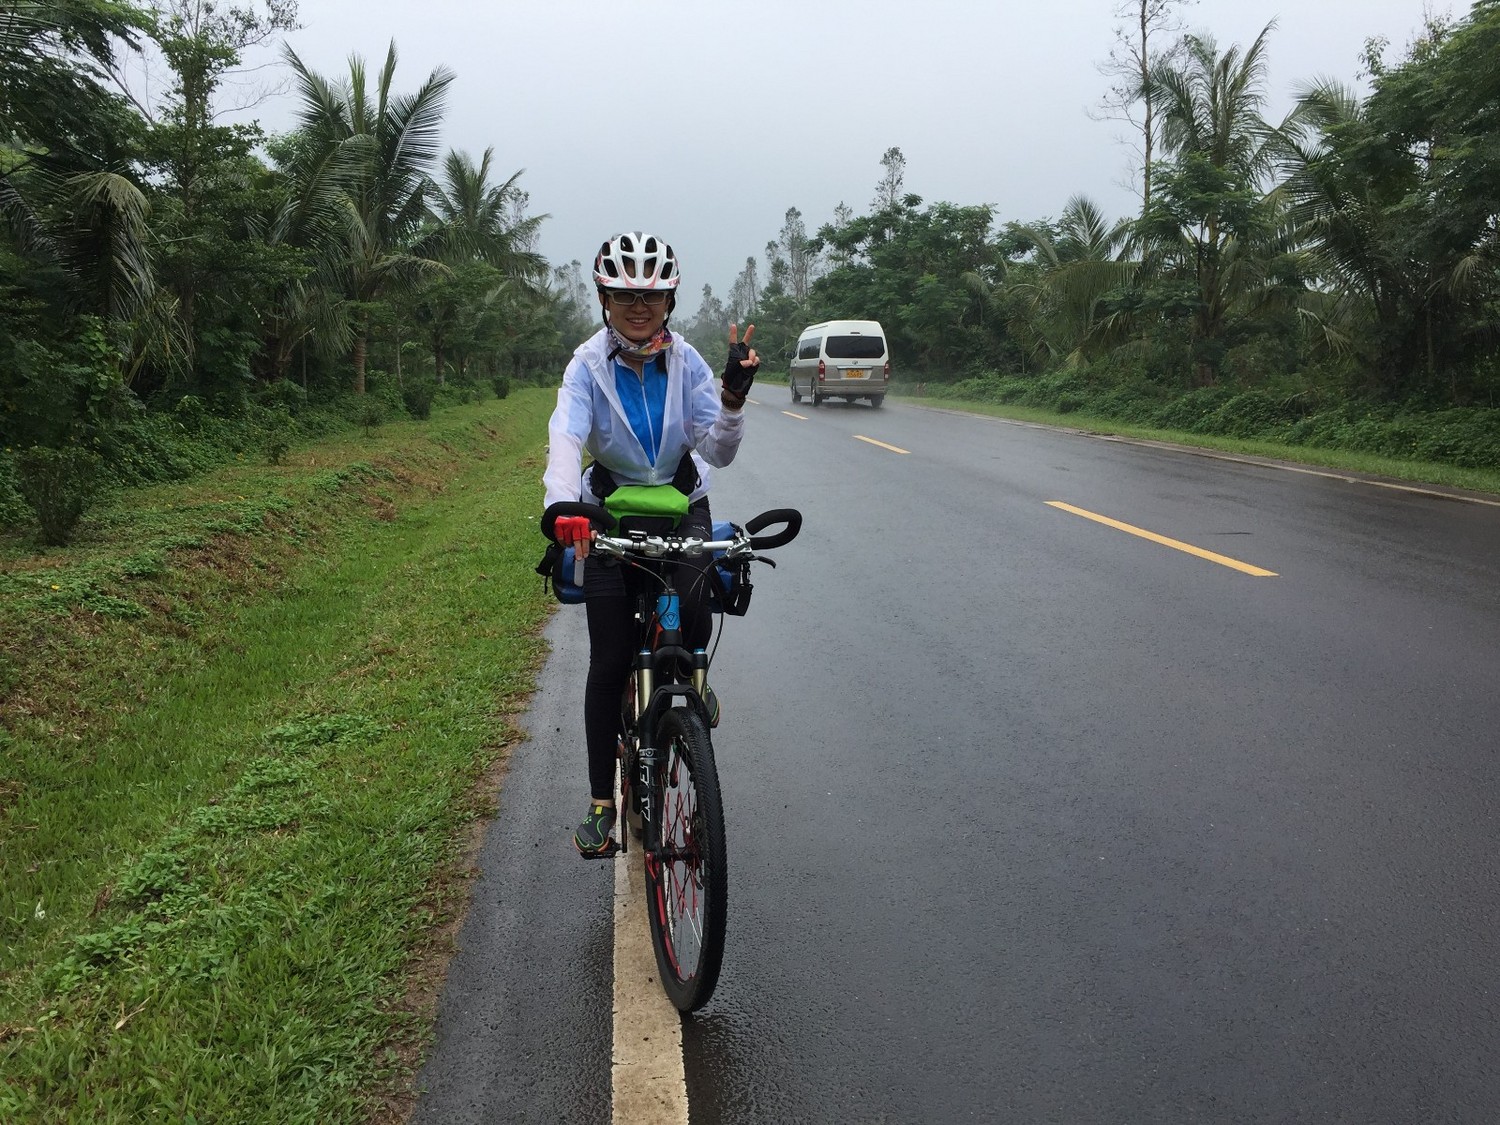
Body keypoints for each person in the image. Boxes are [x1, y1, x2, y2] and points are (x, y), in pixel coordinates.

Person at [542, 231, 759, 858]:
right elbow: (565, 436)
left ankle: (690, 673)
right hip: (607, 507)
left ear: (668, 300)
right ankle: (601, 803)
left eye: (653, 295)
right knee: (609, 659)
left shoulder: (687, 361)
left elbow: (716, 448)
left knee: (693, 607)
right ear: (605, 297)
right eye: (626, 294)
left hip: (681, 500)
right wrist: (560, 507)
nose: (640, 306)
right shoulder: (586, 365)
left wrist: (733, 402)